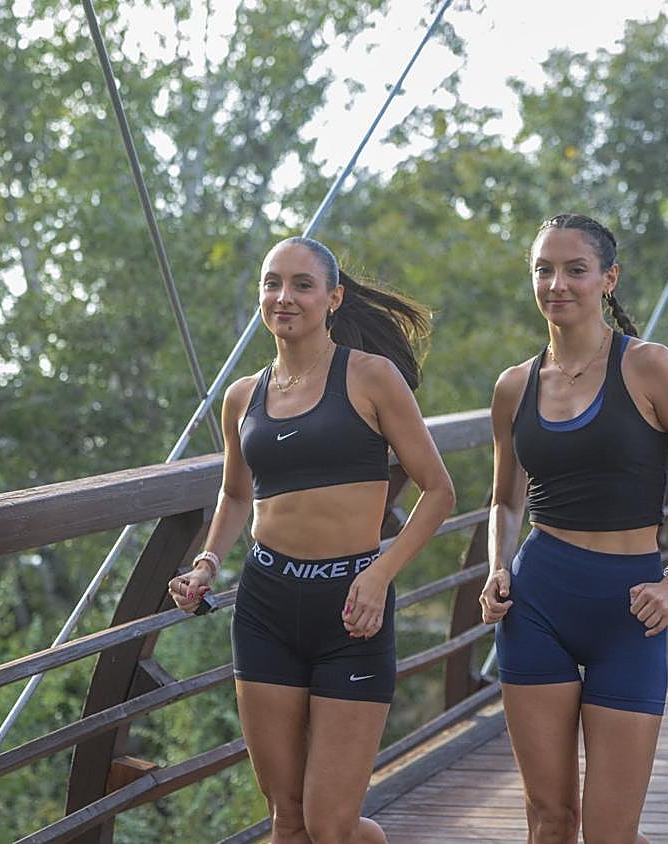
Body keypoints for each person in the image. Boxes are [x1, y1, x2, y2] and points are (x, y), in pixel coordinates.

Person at [168, 236, 455, 844]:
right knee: (288, 821)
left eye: (302, 285)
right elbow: (236, 495)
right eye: (272, 284)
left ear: (334, 298)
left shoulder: (371, 377)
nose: (285, 297)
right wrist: (207, 563)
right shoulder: (242, 396)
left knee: (331, 825)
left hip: (352, 610)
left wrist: (380, 573)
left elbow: (438, 492)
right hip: (265, 609)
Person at [479, 213, 668, 844]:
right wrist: (496, 566)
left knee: (610, 832)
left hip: (630, 613)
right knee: (550, 821)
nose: (557, 284)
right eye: (544, 270)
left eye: (575, 269)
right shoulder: (513, 386)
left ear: (609, 278)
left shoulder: (649, 367)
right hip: (536, 605)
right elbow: (506, 502)